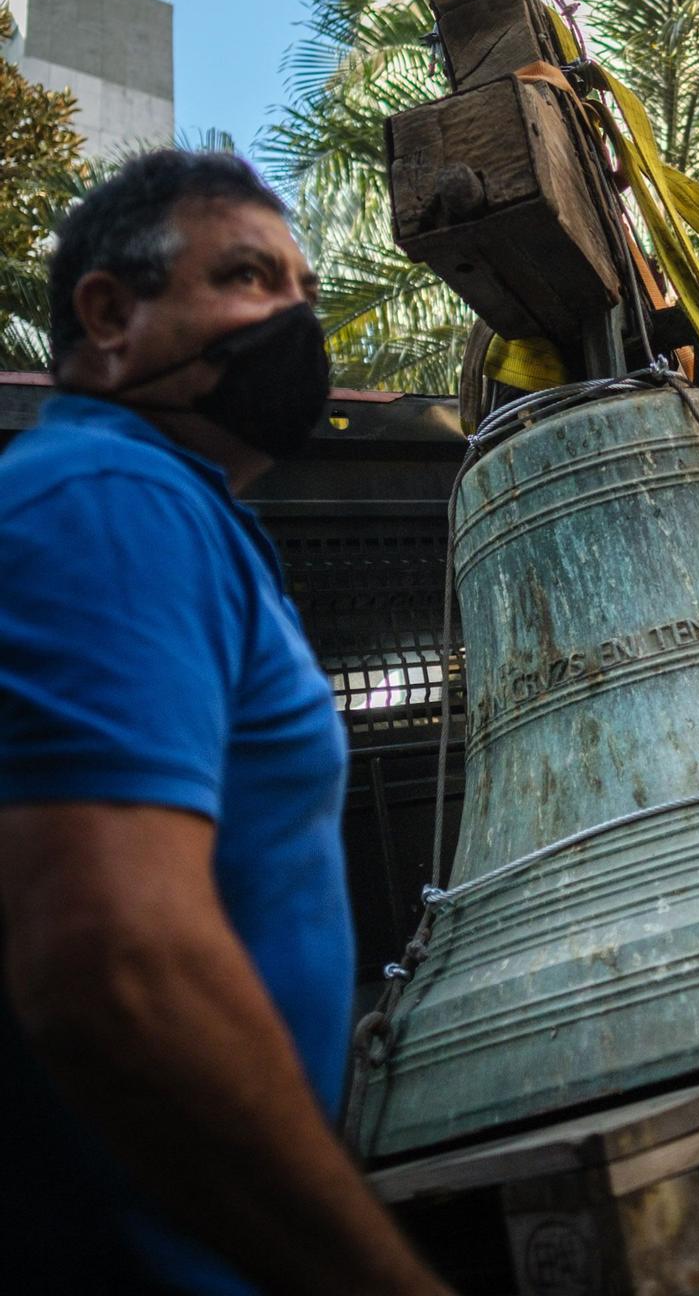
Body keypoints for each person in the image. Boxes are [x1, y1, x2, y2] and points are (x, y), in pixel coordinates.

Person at [0, 152, 455, 1296]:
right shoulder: (111, 501)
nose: (295, 322)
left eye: (302, 291)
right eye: (250, 277)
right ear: (109, 313)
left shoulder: (177, 514)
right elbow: (121, 965)